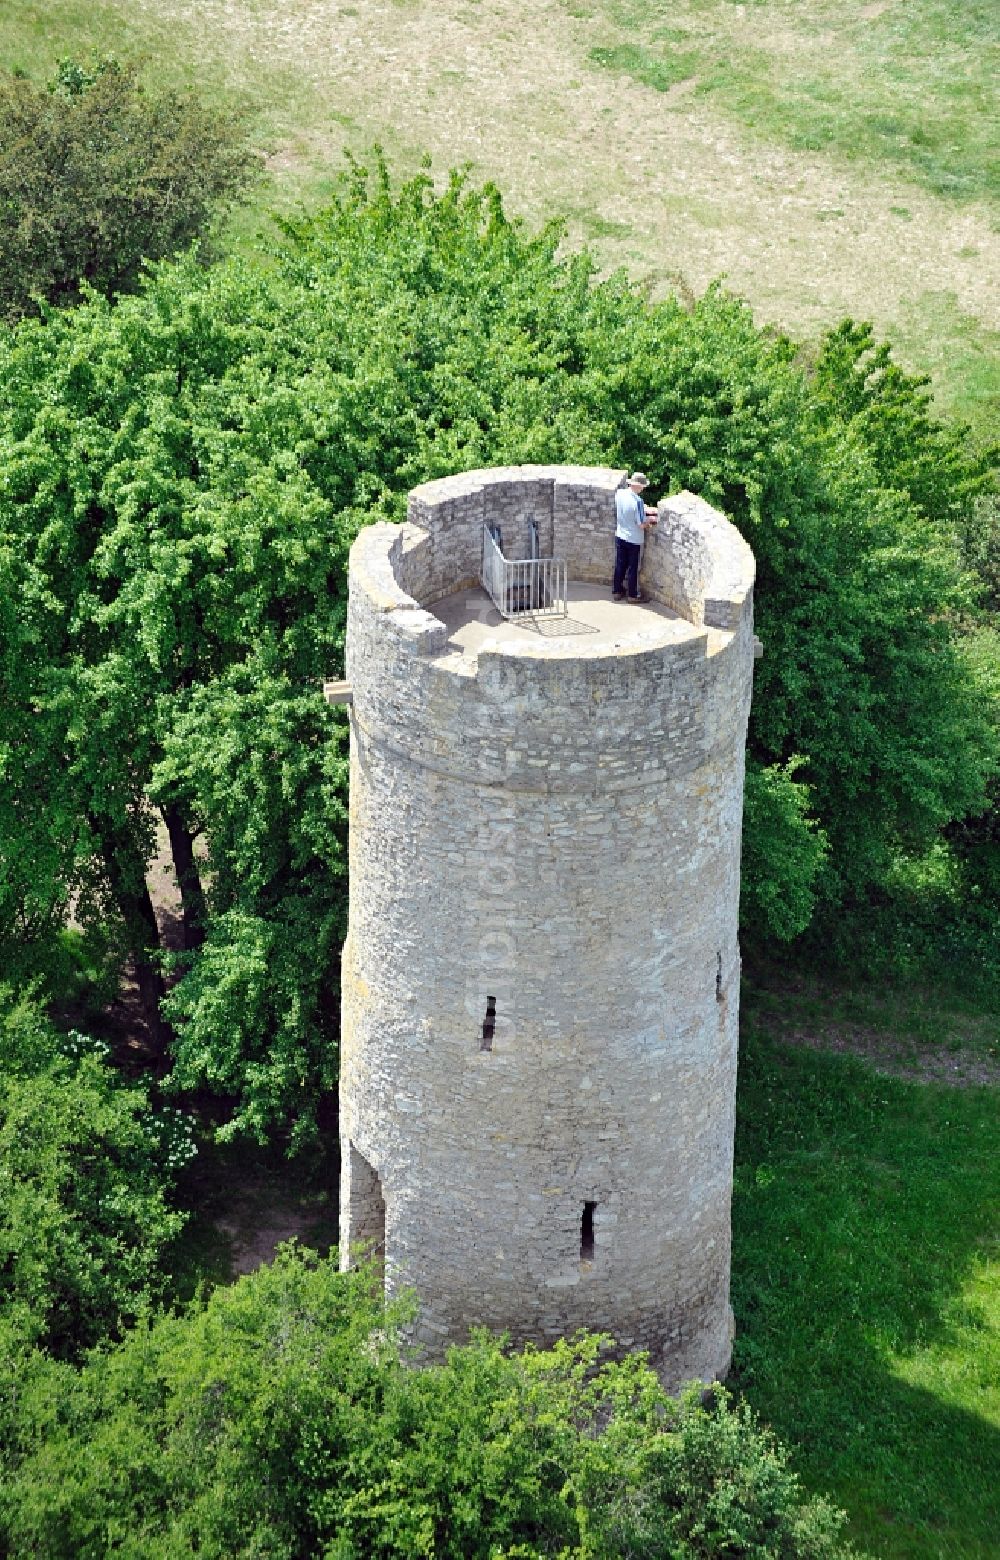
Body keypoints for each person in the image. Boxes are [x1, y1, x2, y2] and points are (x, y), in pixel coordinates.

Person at [613, 472, 657, 602]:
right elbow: (641, 525)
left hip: (620, 535)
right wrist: (650, 520)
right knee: (633, 568)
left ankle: (617, 591)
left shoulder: (620, 493)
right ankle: (633, 595)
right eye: (642, 486)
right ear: (637, 486)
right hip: (633, 540)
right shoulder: (638, 501)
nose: (643, 489)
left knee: (620, 565)